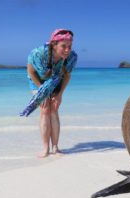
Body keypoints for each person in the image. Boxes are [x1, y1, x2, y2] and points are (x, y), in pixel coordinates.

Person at [27, 29, 77, 158]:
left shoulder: (71, 57)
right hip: (37, 82)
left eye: (69, 46)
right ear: (54, 45)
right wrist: (42, 91)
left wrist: (60, 94)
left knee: (54, 109)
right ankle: (45, 148)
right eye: (63, 46)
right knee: (45, 109)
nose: (67, 50)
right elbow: (31, 72)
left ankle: (55, 147)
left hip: (56, 81)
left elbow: (67, 76)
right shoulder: (39, 53)